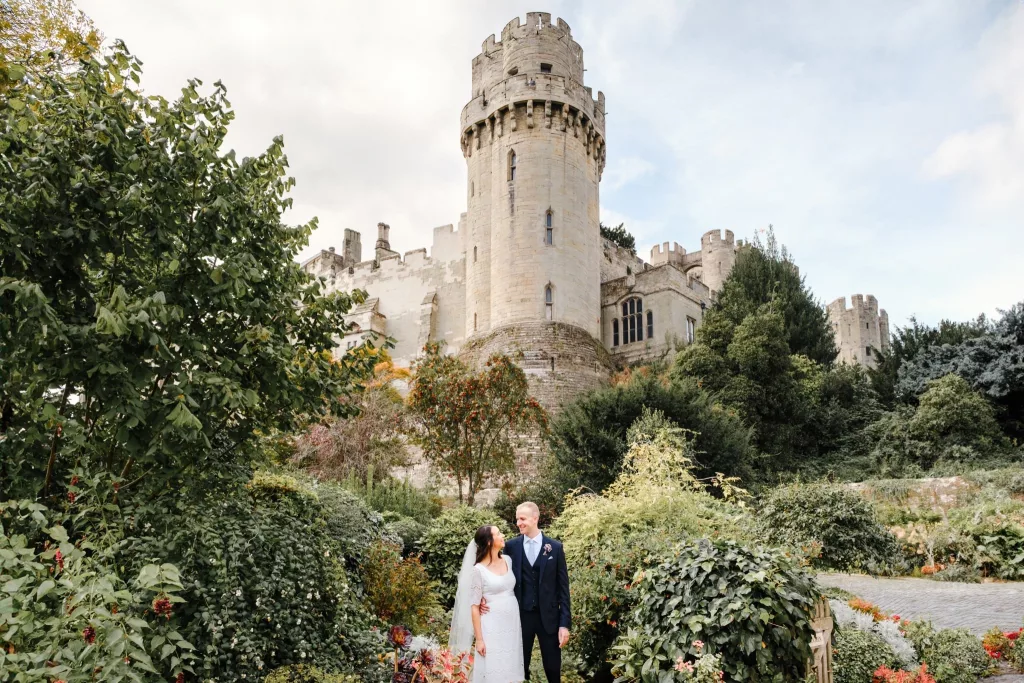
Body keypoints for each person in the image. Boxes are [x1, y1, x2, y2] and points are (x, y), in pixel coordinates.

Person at [499, 502, 571, 683]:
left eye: (522, 519)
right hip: (521, 617)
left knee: (553, 669)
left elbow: (563, 589)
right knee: (519, 669)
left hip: (549, 618)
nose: (518, 523)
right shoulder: (511, 547)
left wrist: (564, 624)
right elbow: (502, 580)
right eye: (517, 519)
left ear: (535, 518)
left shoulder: (555, 547)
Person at [449, 524, 525, 682]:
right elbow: (474, 607)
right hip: (491, 625)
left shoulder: (508, 561)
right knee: (493, 667)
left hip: (511, 624)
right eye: (498, 533)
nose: (502, 535)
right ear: (489, 542)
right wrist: (480, 639)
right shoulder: (478, 570)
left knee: (509, 665)